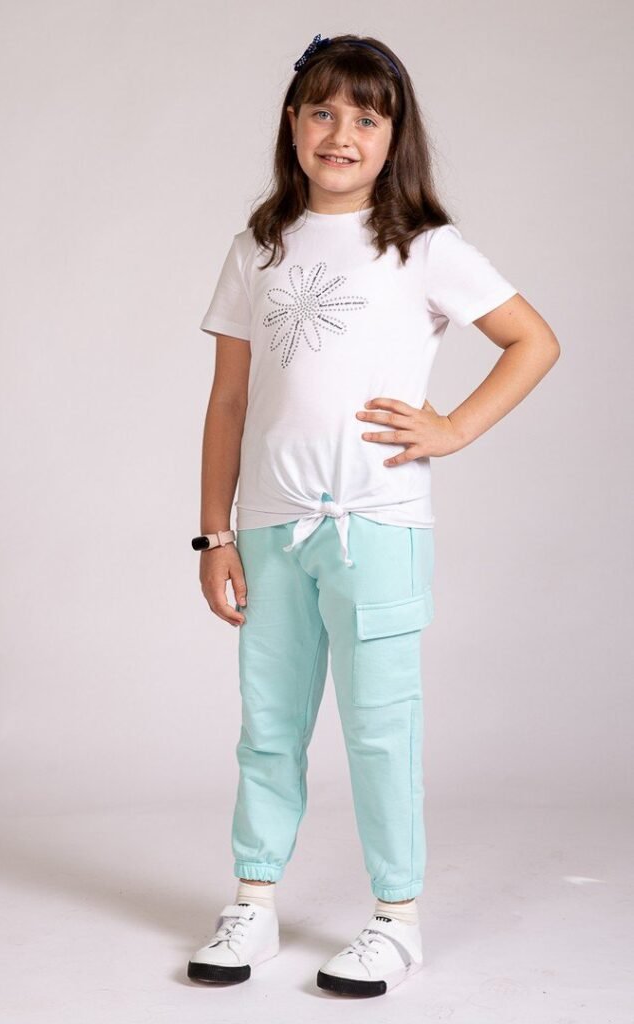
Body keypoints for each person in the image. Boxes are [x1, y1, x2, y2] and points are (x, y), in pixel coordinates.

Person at [187, 32, 560, 997]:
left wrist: (454, 427)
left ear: (395, 135)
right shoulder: (257, 248)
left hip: (378, 526)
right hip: (270, 530)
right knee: (269, 724)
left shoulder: (424, 248)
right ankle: (253, 902)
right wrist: (216, 533)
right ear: (292, 123)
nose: (340, 134)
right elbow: (228, 401)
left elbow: (531, 340)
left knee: (379, 729)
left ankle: (395, 919)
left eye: (364, 117)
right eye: (321, 112)